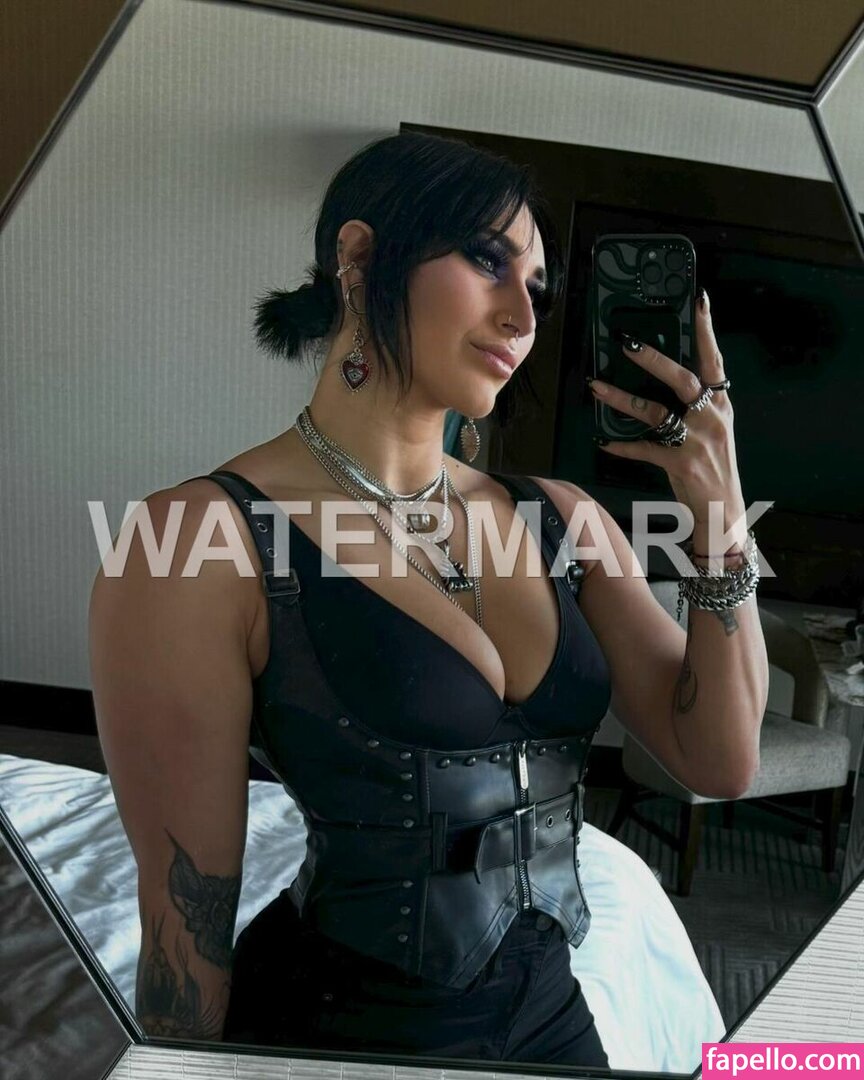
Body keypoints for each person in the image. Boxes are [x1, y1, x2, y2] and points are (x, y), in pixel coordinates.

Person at [90, 132, 768, 1066]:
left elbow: (720, 761)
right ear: (361, 258)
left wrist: (721, 516)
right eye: (488, 261)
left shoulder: (563, 518)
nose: (521, 315)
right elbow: (186, 916)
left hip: (550, 1018)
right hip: (341, 1035)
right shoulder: (194, 539)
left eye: (537, 288)